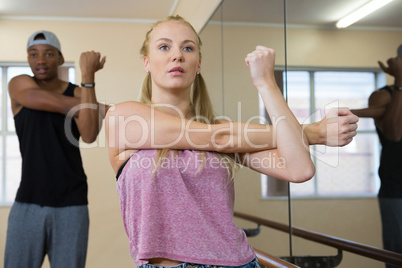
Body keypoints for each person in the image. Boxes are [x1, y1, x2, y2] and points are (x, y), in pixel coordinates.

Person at [105, 15, 358, 268]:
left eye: (188, 48)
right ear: (146, 62)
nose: (177, 55)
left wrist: (266, 82)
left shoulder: (227, 134)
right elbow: (219, 138)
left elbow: (299, 169)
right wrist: (313, 133)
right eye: (164, 46)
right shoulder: (124, 117)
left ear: (199, 64)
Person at [4, 30, 108, 268]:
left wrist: (88, 76)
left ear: (60, 59)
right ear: (28, 58)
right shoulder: (19, 84)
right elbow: (40, 99)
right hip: (28, 201)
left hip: (72, 203)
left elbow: (90, 135)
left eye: (48, 54)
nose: (40, 60)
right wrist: (96, 107)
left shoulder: (81, 91)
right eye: (33, 54)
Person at [351, 45, 402, 268]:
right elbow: (394, 133)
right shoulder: (382, 95)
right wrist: (399, 82)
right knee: (397, 258)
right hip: (396, 192)